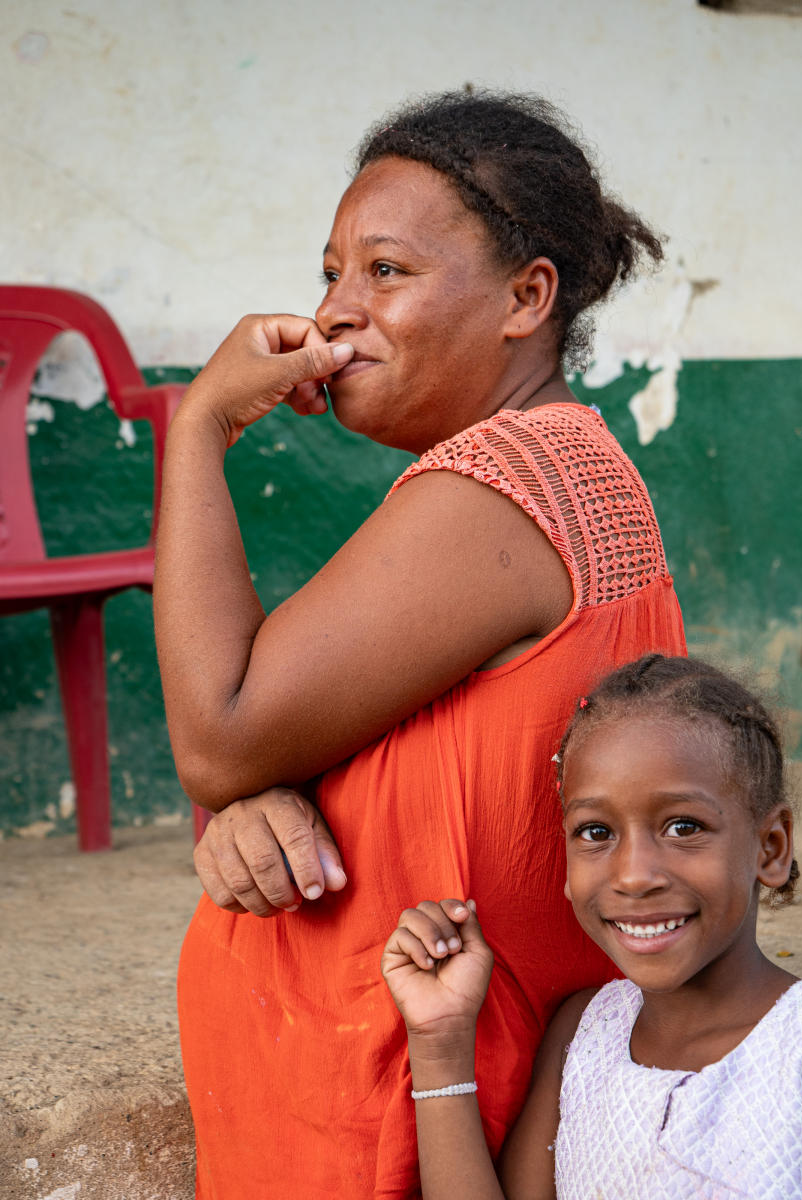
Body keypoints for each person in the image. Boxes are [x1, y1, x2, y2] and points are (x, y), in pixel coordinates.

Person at [153, 89, 686, 1199]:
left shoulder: (496, 486)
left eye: (386, 272)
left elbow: (221, 731)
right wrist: (260, 792)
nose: (337, 312)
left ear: (525, 297)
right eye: (332, 271)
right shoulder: (566, 460)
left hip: (390, 1102)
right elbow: (294, 740)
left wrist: (199, 425)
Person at [382, 654, 802, 1200]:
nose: (633, 875)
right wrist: (439, 1042)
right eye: (596, 832)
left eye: (683, 826)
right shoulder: (583, 1035)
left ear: (770, 848)